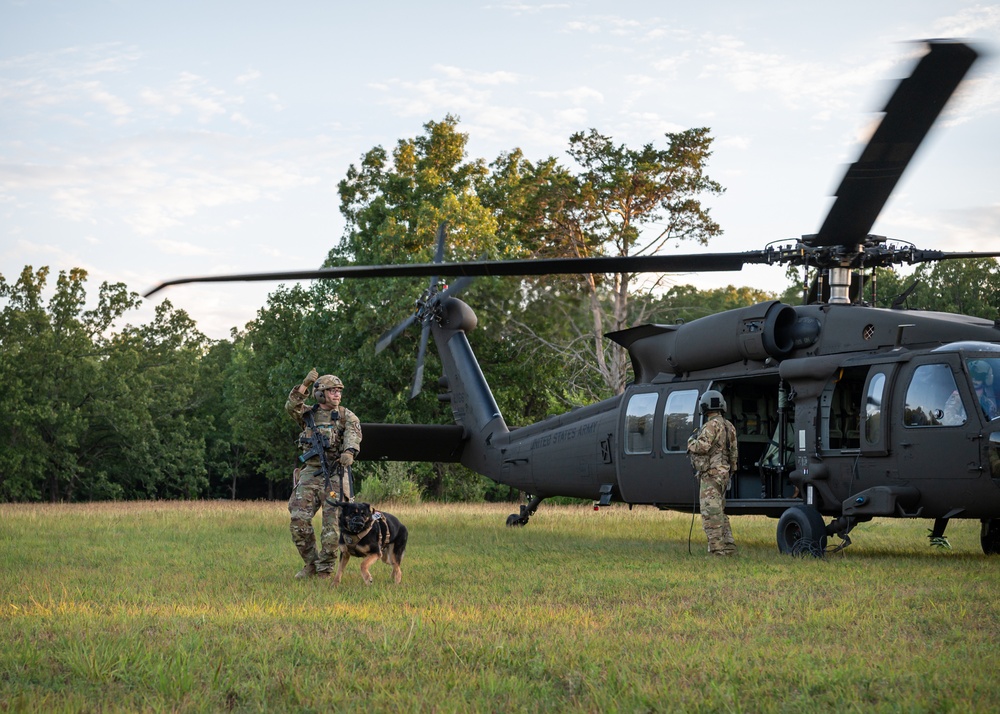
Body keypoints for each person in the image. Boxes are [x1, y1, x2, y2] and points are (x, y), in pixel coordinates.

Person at [285, 368, 363, 579]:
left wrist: (349, 451)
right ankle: (311, 564)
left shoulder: (346, 415)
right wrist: (305, 385)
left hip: (335, 474)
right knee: (298, 521)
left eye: (339, 391)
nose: (337, 394)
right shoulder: (308, 414)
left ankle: (325, 570)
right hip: (310, 473)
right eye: (332, 391)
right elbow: (291, 407)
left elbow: (354, 435)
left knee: (332, 528)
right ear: (321, 394)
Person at [687, 390, 739, 556]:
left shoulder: (710, 425)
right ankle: (729, 547)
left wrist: (690, 442)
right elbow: (734, 453)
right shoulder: (729, 426)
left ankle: (717, 551)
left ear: (705, 406)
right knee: (720, 513)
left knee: (710, 515)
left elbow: (702, 447)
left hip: (711, 475)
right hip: (724, 475)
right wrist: (730, 470)